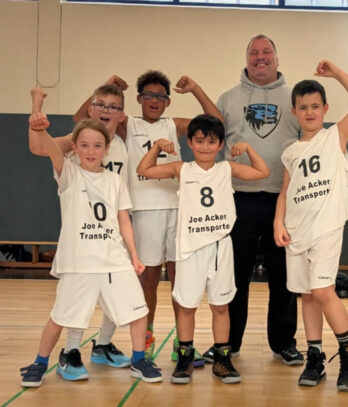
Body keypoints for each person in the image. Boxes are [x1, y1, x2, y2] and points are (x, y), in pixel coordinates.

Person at [75, 72, 223, 364]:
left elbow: (216, 122)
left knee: (181, 279)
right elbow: (82, 119)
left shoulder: (173, 125)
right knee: (148, 280)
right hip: (144, 210)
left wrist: (196, 89)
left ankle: (183, 343)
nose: (154, 101)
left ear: (167, 102)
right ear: (139, 99)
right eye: (148, 95)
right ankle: (147, 338)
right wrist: (105, 85)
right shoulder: (128, 124)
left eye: (160, 96)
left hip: (180, 208)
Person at [20, 89, 162, 387]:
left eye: (97, 146)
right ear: (74, 147)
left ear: (106, 149)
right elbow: (48, 145)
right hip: (79, 263)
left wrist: (135, 256)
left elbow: (123, 219)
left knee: (139, 311)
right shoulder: (68, 173)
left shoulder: (114, 180)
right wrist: (37, 113)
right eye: (84, 145)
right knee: (61, 317)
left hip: (114, 259)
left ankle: (138, 360)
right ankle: (40, 363)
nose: (90, 150)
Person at [137, 114, 270, 384]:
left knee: (220, 306)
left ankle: (222, 359)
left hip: (220, 247)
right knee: (187, 307)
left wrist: (249, 149)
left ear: (220, 144)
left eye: (211, 142)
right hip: (190, 248)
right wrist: (157, 146)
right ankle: (185, 357)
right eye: (199, 141)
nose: (205, 147)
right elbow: (144, 169)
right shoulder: (181, 169)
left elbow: (262, 172)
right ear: (189, 143)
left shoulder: (227, 168)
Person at [274, 61, 348, 390]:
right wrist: (278, 221)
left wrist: (337, 74)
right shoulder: (290, 152)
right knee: (307, 295)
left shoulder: (334, 137)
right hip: (296, 231)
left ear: (325, 108)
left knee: (322, 291)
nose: (310, 112)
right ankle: (314, 358)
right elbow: (286, 191)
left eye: (316, 106)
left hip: (326, 229)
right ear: (294, 112)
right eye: (303, 107)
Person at [208, 34, 302, 364]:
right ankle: (228, 342)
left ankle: (284, 342)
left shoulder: (294, 97)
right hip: (238, 198)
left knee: (283, 276)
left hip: (282, 199)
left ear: (277, 58)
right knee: (235, 275)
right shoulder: (228, 98)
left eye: (266, 52)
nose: (260, 57)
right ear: (246, 58)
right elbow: (214, 145)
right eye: (254, 53)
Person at [29, 82, 133, 380]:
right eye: (100, 104)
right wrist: (36, 113)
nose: (105, 110)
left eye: (113, 107)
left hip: (115, 224)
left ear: (122, 114)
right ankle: (71, 349)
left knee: (119, 290)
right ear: (90, 108)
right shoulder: (76, 140)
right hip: (84, 228)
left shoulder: (126, 141)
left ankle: (102, 344)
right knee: (80, 295)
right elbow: (38, 146)